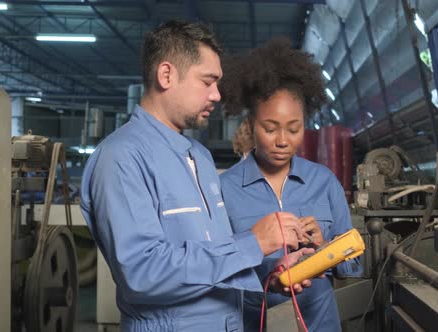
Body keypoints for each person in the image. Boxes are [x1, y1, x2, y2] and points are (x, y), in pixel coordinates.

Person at [80, 21, 313, 332]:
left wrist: (267, 273)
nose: (216, 94)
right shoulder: (122, 158)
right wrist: (252, 243)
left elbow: (212, 256)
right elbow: (142, 273)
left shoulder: (199, 157)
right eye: (208, 81)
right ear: (166, 75)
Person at [219, 38, 363, 331]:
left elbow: (354, 268)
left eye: (293, 128)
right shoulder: (224, 189)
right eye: (270, 128)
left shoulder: (324, 182)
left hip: (319, 324)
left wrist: (325, 248)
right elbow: (215, 270)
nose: (283, 140)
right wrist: (267, 271)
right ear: (250, 124)